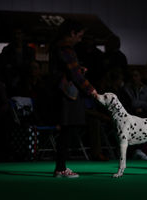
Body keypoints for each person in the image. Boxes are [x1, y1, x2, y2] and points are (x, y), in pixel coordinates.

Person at [49, 19, 97, 178]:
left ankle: (60, 167)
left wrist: (78, 69)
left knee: (66, 131)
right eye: (80, 35)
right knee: (66, 131)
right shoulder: (66, 48)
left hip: (61, 93)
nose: (80, 39)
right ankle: (61, 169)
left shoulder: (56, 46)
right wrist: (92, 90)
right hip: (67, 96)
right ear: (72, 33)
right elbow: (75, 76)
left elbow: (68, 71)